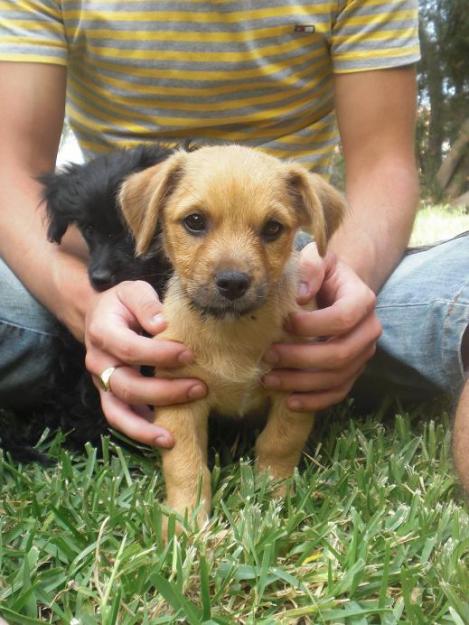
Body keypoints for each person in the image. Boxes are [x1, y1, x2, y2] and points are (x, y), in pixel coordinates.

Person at [0, 1, 467, 476]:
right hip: (101, 260)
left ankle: (309, 351)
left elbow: (384, 165)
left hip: (299, 267)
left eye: (269, 227)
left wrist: (338, 294)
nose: (231, 269)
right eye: (196, 221)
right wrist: (82, 306)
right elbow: (10, 167)